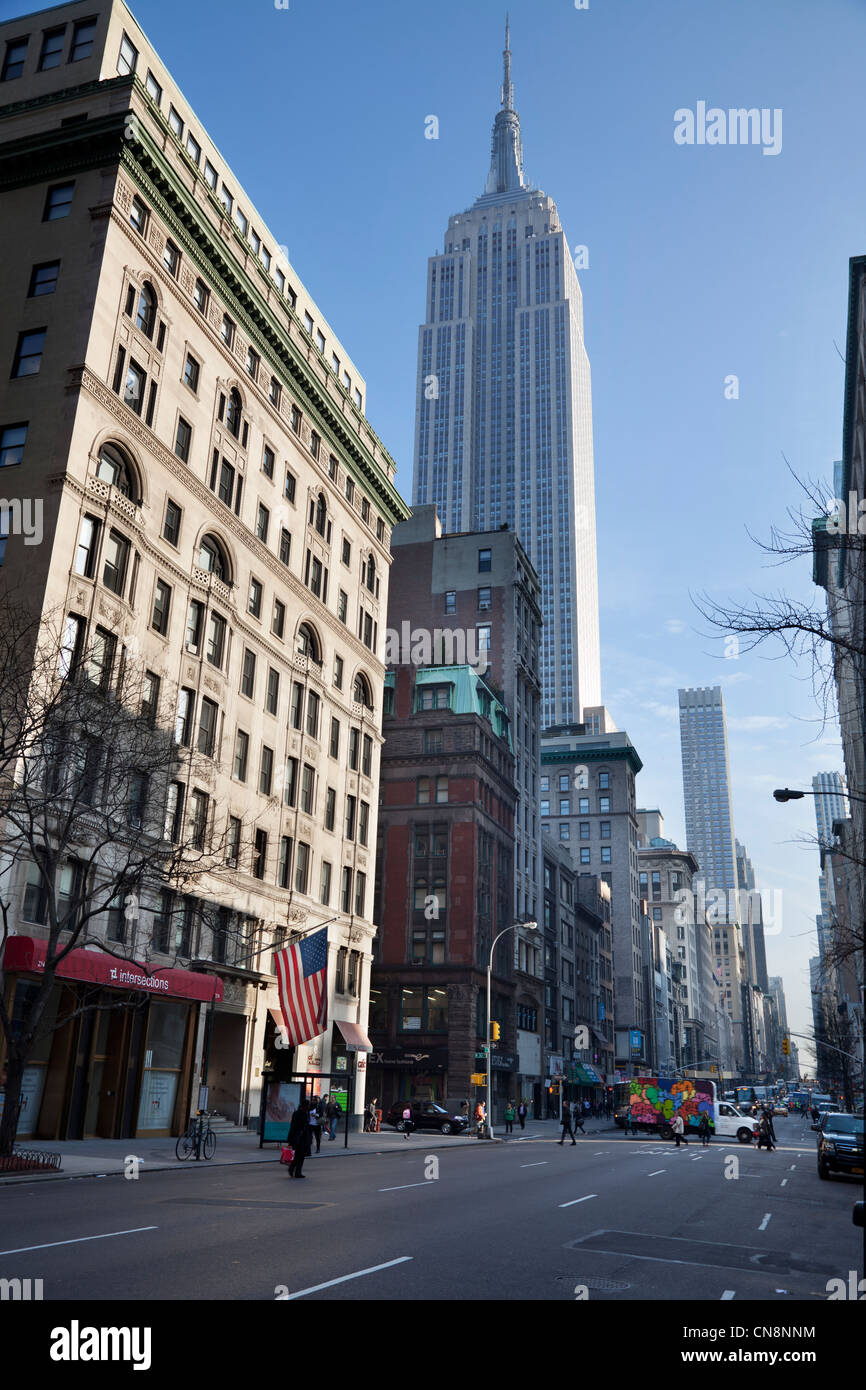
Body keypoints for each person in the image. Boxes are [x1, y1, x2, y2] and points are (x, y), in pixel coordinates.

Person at [287, 1101, 312, 1178]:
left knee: (302, 1155)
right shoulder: (297, 1113)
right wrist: (291, 1139)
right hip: (298, 1138)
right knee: (298, 1155)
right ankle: (292, 1168)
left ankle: (298, 1171)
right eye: (308, 1106)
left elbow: (307, 1126)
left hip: (304, 1138)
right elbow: (293, 1127)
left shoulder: (306, 1114)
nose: (308, 1107)